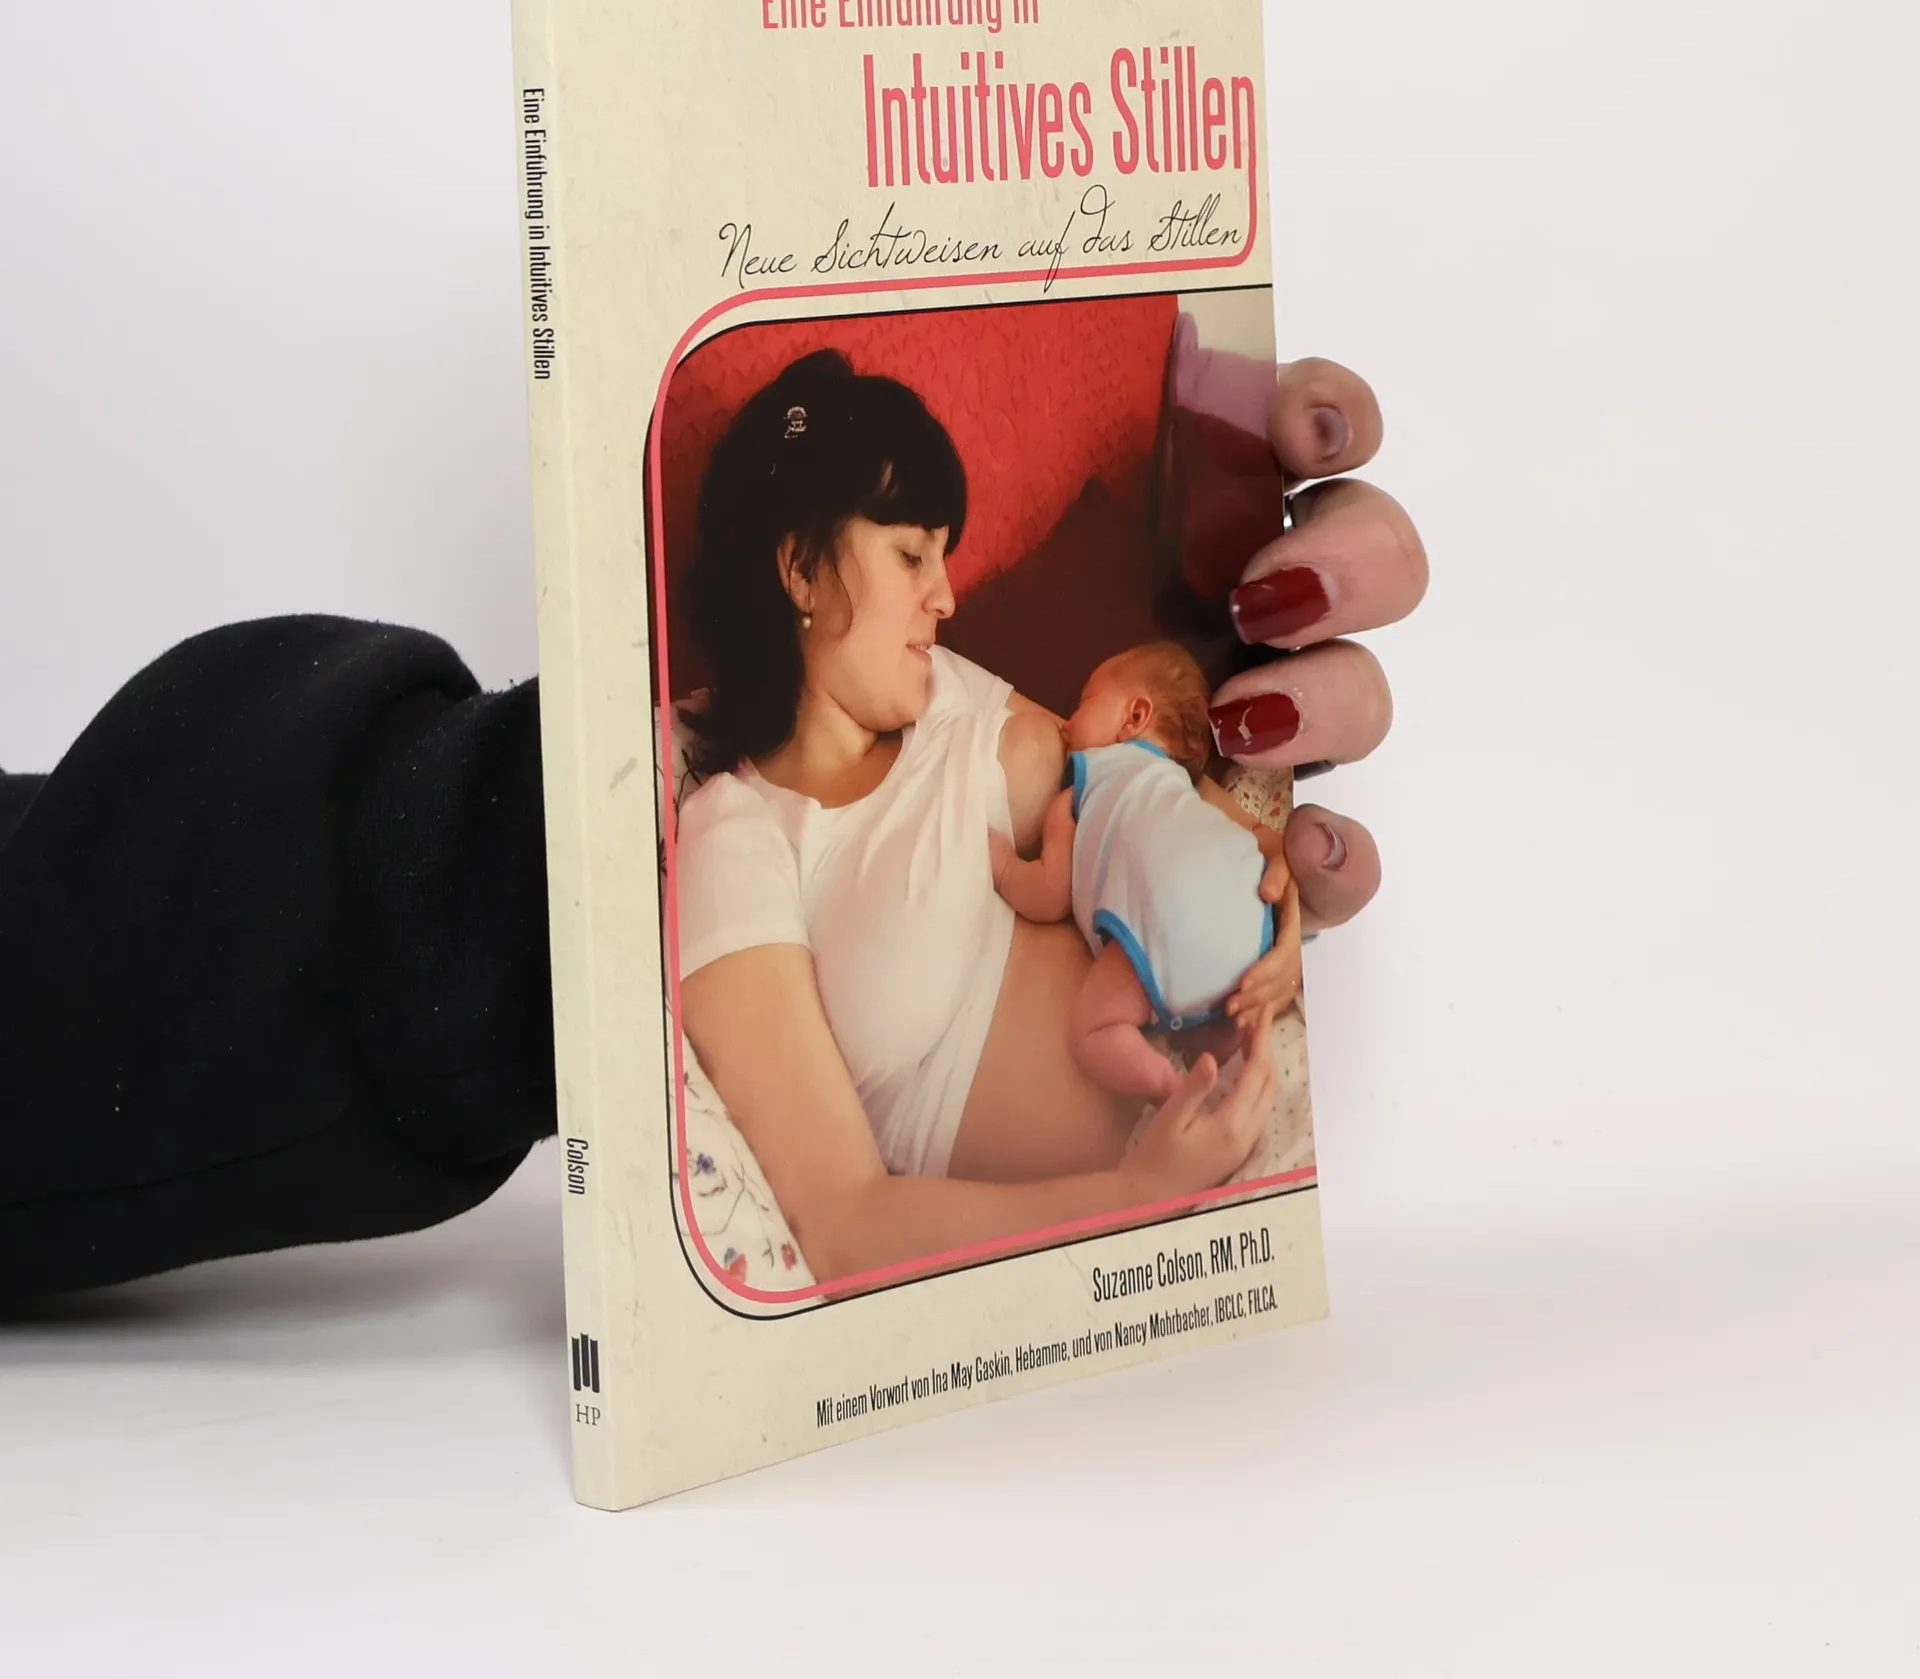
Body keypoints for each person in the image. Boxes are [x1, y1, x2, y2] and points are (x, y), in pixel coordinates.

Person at [0, 353, 1424, 1305]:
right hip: (1109, 1275)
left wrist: (1262, 885)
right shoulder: (734, 837)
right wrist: (1129, 1195)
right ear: (800, 568)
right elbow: (844, 1220)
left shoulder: (969, 699)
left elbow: (1140, 812)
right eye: (912, 555)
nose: (948, 594)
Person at [990, 641, 1298, 1107]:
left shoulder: (1082, 789)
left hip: (1163, 918)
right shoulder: (1183, 790)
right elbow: (1262, 843)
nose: (1067, 723)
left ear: (1134, 716)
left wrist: (1004, 868)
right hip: (1249, 915)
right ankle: (1221, 1034)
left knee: (1093, 1029)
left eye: (1083, 703)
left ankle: (1172, 1092)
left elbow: (1050, 895)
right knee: (1213, 1007)